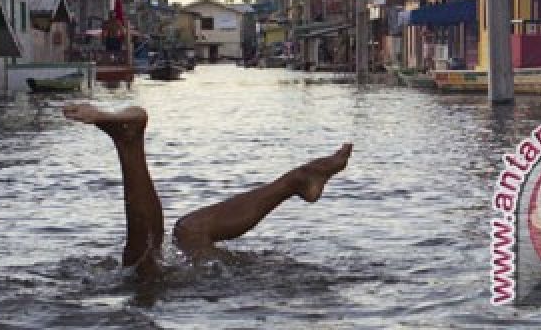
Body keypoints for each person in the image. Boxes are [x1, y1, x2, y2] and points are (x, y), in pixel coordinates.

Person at [62, 102, 352, 278]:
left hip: (211, 282)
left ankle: (129, 143)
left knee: (144, 270)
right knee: (188, 231)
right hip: (222, 276)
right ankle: (298, 179)